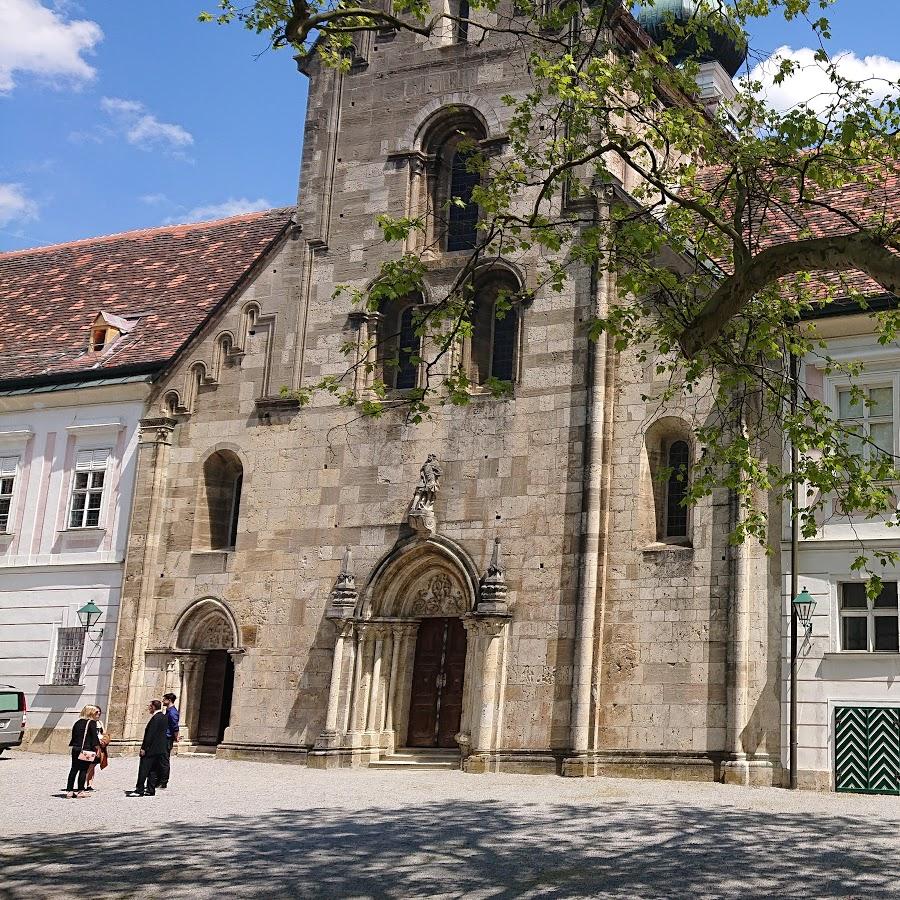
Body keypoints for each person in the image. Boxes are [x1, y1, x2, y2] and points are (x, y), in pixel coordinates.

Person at [128, 699, 168, 797]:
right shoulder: (164, 717)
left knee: (144, 769)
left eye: (149, 706)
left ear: (153, 707)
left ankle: (139, 789)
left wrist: (144, 748)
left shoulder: (155, 718)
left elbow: (150, 735)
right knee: (153, 770)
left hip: (151, 749)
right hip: (160, 749)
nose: (148, 708)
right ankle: (151, 789)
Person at [66, 705, 100, 799]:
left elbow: (74, 736)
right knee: (83, 770)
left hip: (76, 748)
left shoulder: (77, 723)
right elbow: (94, 738)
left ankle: (69, 790)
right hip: (87, 749)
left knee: (73, 769)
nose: (98, 714)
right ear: (90, 712)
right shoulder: (91, 723)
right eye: (96, 712)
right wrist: (97, 749)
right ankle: (81, 791)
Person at [85, 706, 110, 791]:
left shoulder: (99, 722)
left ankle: (89, 785)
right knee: (89, 765)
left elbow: (104, 732)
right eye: (96, 712)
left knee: (93, 765)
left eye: (99, 712)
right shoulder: (88, 723)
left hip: (99, 747)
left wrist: (104, 739)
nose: (98, 713)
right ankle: (82, 782)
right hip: (91, 747)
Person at [158, 692, 180, 789]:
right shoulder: (168, 711)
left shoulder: (172, 712)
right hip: (164, 737)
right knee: (161, 759)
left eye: (164, 699)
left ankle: (163, 782)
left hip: (167, 738)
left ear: (169, 700)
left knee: (164, 760)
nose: (163, 701)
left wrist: (176, 736)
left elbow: (175, 726)